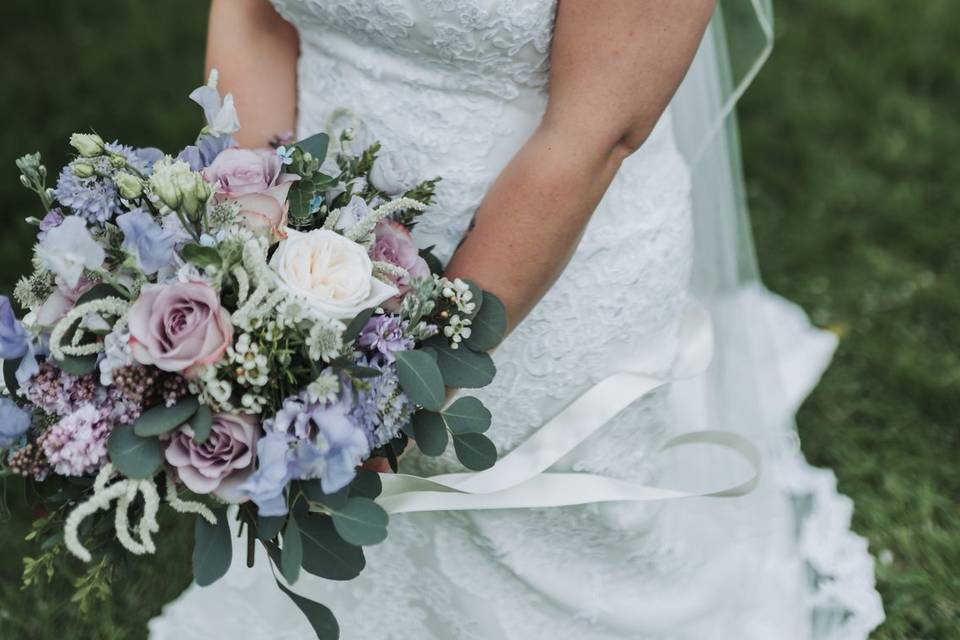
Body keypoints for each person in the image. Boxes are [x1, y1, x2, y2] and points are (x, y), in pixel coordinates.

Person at [150, 1, 884, 637]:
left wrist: (401, 386)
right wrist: (251, 267)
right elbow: (253, 19)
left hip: (560, 251)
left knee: (531, 525)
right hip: (315, 229)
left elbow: (593, 132)